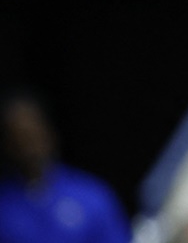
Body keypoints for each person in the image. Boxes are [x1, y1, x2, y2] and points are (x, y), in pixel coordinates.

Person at [0, 90, 131, 243]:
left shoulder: (90, 194)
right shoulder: (4, 209)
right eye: (17, 138)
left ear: (48, 132)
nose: (28, 147)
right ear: (5, 145)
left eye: (31, 135)